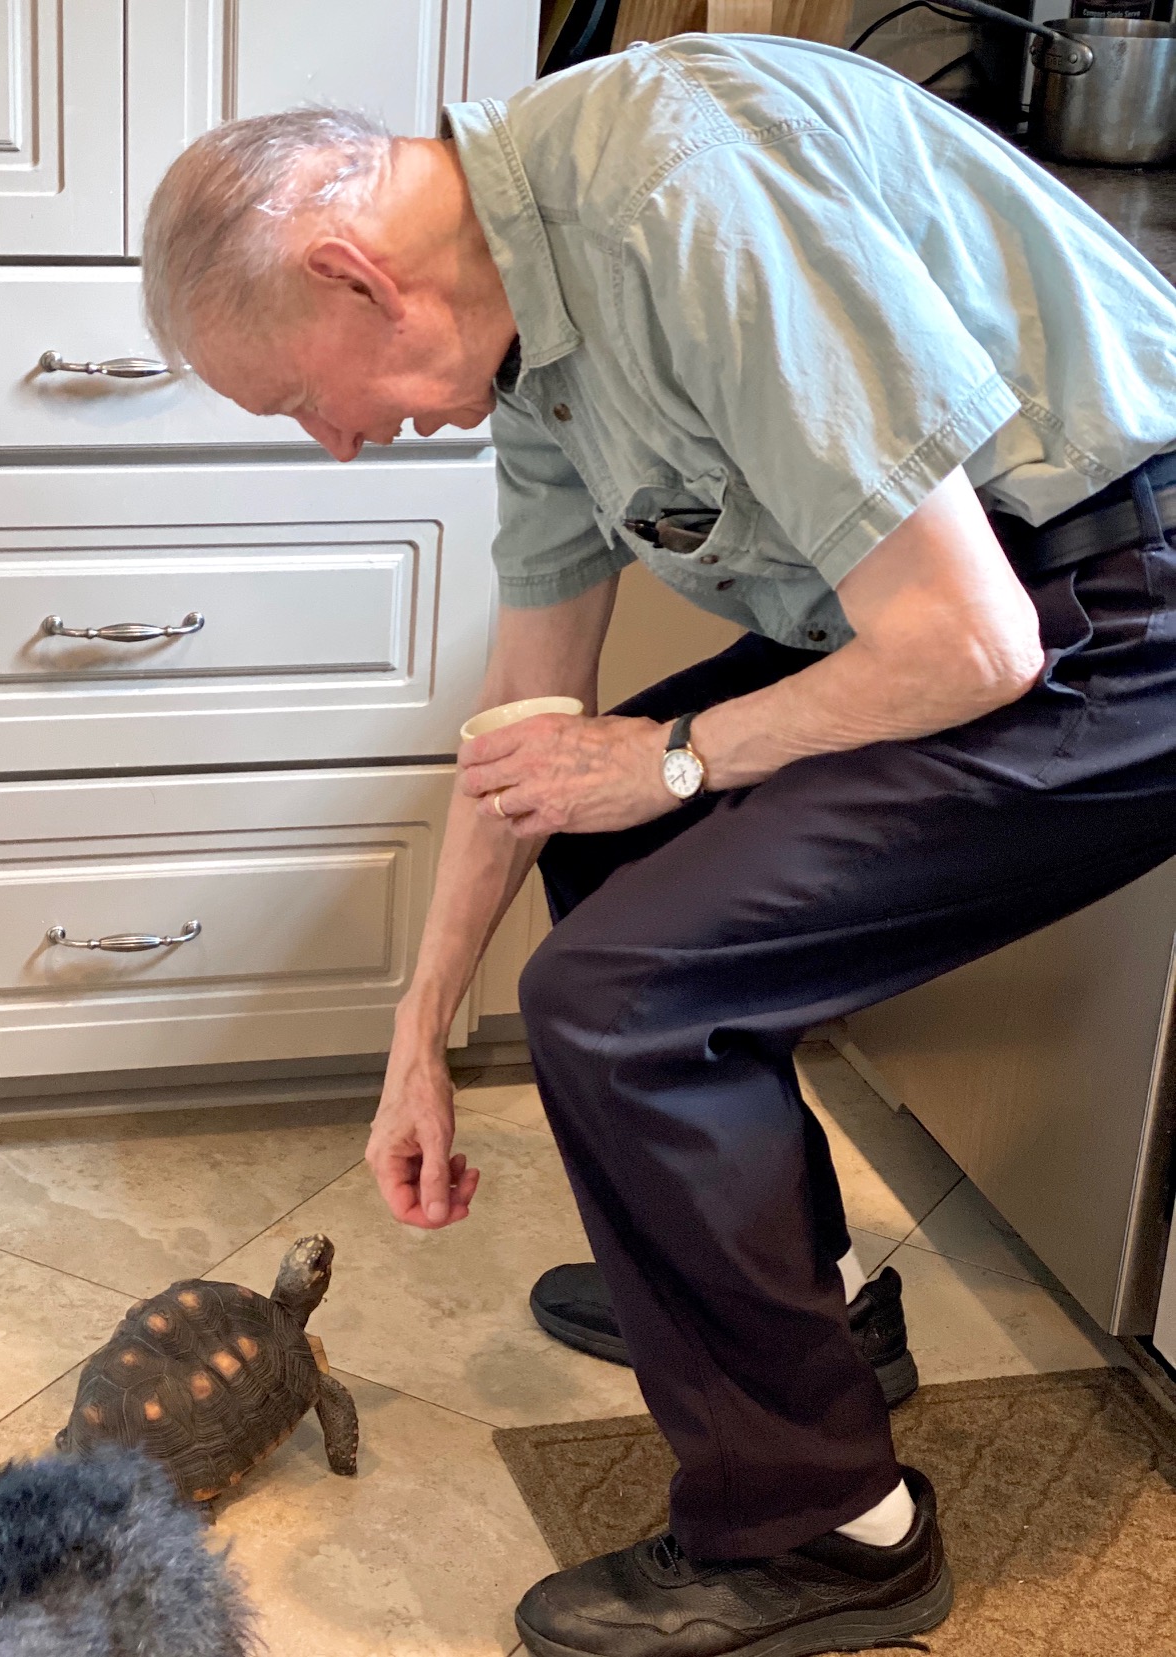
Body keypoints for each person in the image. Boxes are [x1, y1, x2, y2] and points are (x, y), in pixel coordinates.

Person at [141, 33, 1176, 1656]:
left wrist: (678, 755)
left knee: (626, 990)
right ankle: (809, 1309)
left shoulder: (680, 194)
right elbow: (527, 723)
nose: (333, 445)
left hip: (1122, 607)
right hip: (995, 592)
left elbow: (971, 647)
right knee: (602, 845)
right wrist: (418, 1034)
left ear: (355, 278)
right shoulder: (530, 321)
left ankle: (833, 1531)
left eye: (298, 404)